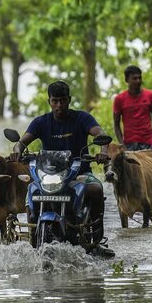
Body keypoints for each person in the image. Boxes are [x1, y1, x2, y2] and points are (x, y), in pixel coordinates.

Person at [10, 80, 114, 258]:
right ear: (49, 102)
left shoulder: (82, 118)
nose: (59, 105)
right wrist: (17, 151)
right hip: (47, 176)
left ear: (69, 100)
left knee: (96, 189)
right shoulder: (41, 122)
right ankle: (33, 237)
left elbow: (101, 134)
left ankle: (96, 241)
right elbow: (21, 142)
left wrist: (103, 151)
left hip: (79, 174)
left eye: (63, 100)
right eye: (55, 101)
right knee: (31, 191)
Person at [113, 65, 152, 151]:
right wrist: (122, 145)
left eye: (139, 78)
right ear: (127, 80)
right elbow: (116, 124)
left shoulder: (150, 96)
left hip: (148, 144)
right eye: (134, 78)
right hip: (129, 146)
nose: (138, 81)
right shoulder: (119, 99)